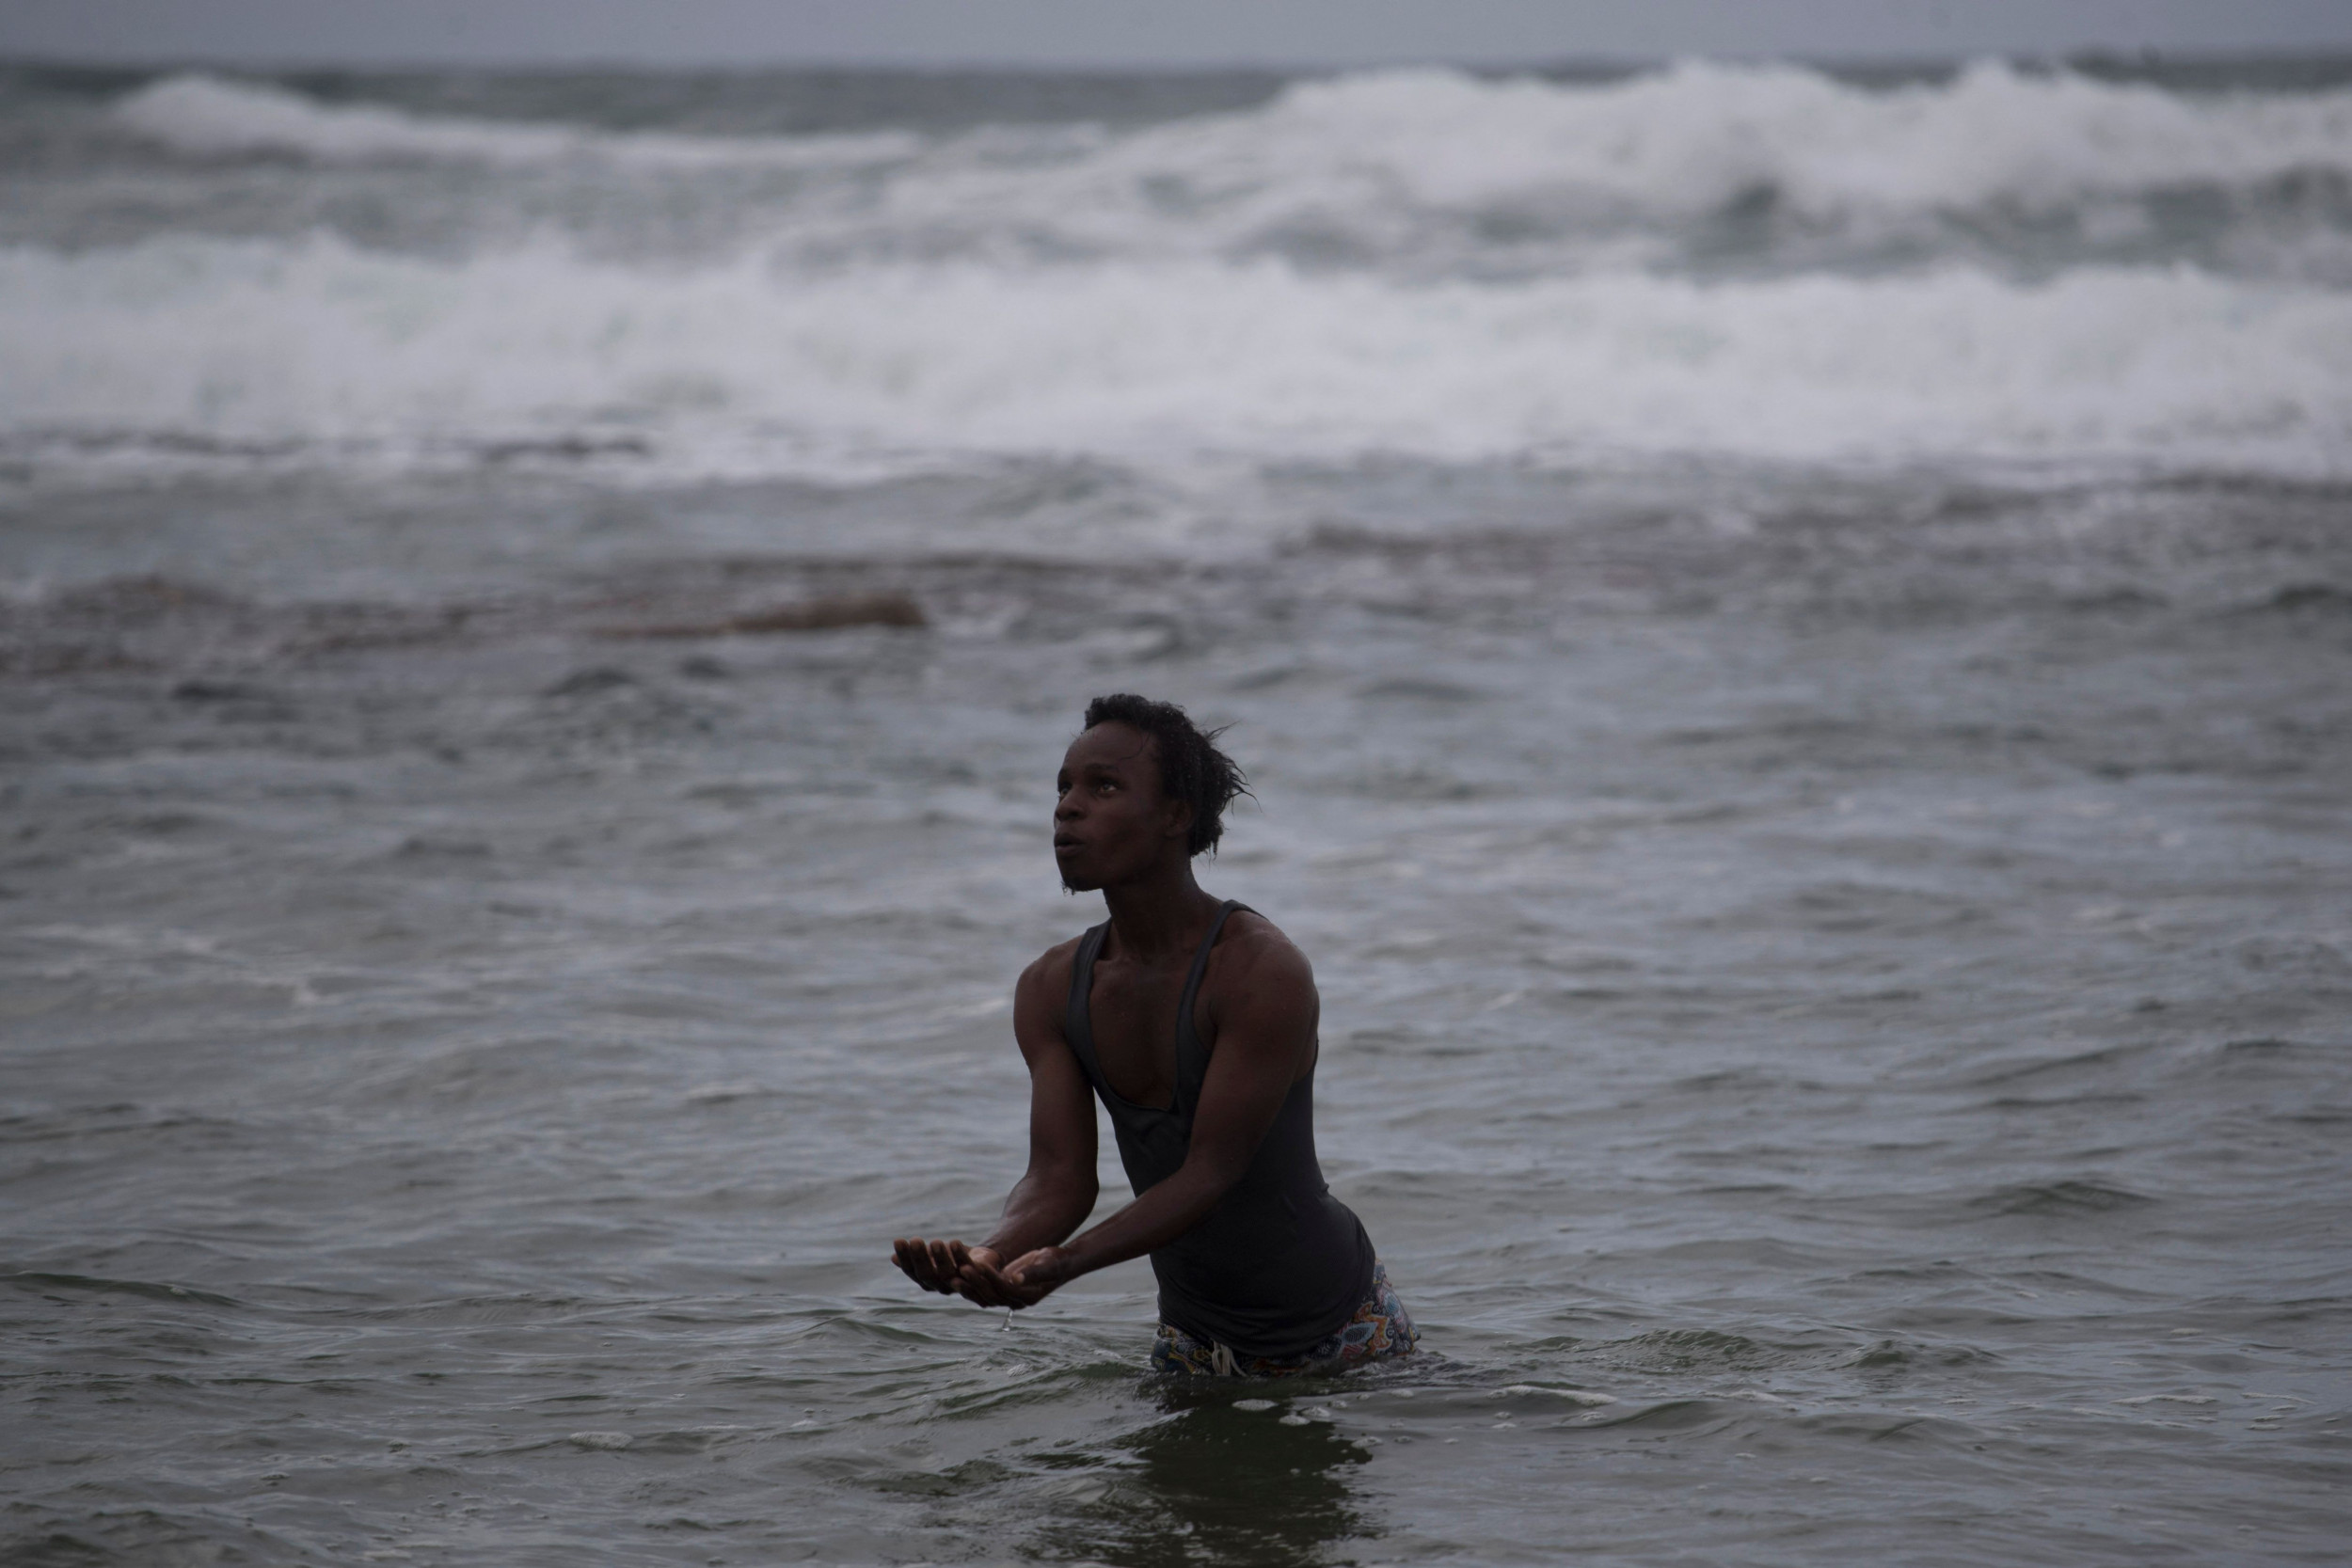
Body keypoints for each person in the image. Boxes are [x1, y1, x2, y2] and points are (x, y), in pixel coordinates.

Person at [891, 693, 1417, 1376]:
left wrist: (1064, 1263)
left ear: (1177, 815)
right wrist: (994, 1254)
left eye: (1103, 786)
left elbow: (1211, 1172)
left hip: (1341, 1336)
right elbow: (1059, 1178)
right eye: (1064, 787)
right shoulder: (1051, 987)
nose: (1067, 807)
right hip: (1191, 1344)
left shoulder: (1259, 969)